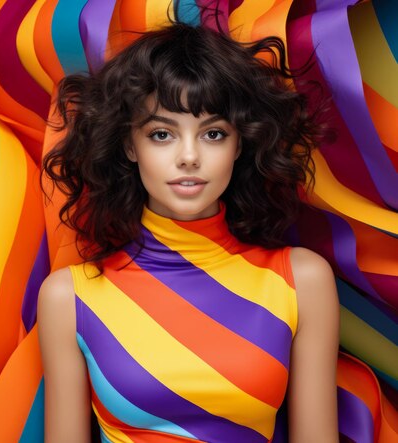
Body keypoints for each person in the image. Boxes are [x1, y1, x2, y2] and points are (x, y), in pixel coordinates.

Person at [37, 20, 339, 443]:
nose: (190, 157)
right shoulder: (69, 298)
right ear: (129, 146)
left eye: (213, 133)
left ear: (240, 145)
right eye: (161, 134)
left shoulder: (301, 282)